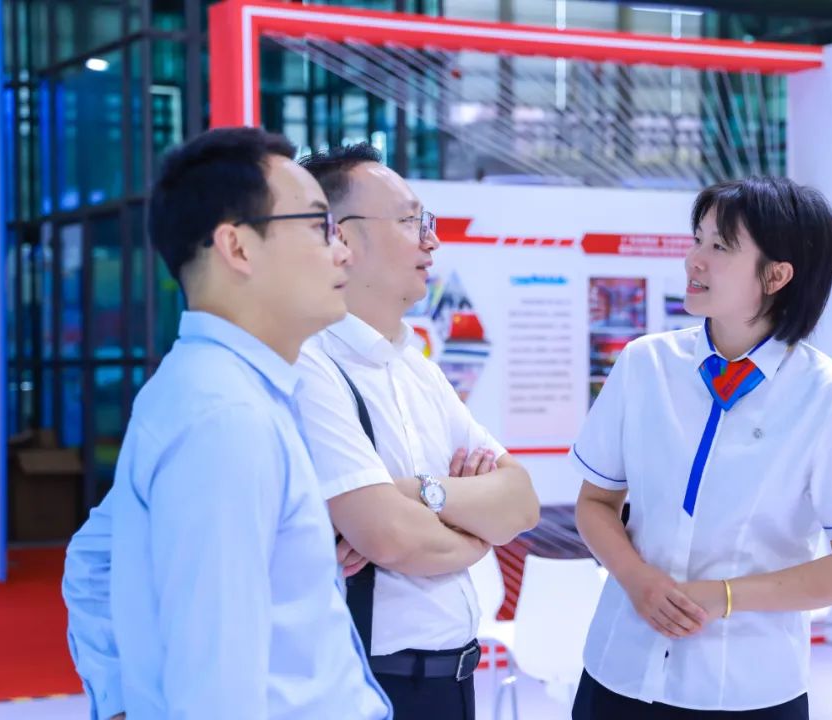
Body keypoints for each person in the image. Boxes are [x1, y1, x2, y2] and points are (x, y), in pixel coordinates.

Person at [61, 127, 391, 720]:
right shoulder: (227, 418)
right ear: (237, 248)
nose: (343, 252)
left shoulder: (220, 390)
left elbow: (94, 560)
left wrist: (121, 702)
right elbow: (216, 694)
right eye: (319, 226)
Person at [570, 177, 832, 719]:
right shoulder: (644, 365)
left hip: (748, 688)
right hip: (618, 669)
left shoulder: (829, 398)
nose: (693, 260)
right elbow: (595, 503)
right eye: (696, 239)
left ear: (776, 275)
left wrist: (724, 596)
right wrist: (637, 579)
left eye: (719, 246)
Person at [296, 143, 541, 719]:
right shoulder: (309, 364)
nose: (432, 241)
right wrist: (475, 532)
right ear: (341, 238)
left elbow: (521, 501)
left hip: (453, 683)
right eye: (411, 221)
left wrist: (418, 494)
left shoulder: (416, 368)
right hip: (368, 685)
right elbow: (390, 539)